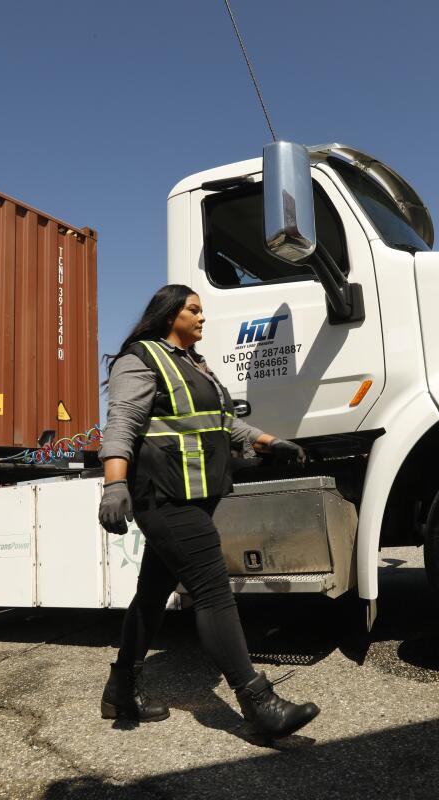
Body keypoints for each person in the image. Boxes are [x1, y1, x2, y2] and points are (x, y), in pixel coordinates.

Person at [96, 284, 319, 740]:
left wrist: (267, 442)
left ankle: (121, 689)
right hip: (163, 497)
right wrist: (114, 484)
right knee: (213, 590)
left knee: (152, 592)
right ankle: (259, 704)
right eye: (193, 310)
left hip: (190, 494)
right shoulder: (140, 359)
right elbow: (122, 422)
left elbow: (224, 421)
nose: (202, 318)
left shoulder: (195, 366)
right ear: (168, 314)